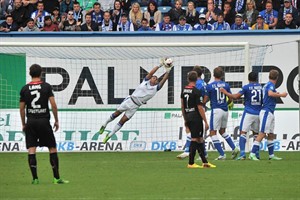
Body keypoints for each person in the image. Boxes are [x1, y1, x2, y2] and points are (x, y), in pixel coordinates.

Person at [98, 58, 173, 144]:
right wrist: (159, 65)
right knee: (116, 114)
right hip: (130, 100)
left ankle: (109, 135)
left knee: (123, 121)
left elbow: (164, 80)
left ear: (156, 82)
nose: (154, 78)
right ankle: (104, 125)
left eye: (155, 78)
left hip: (135, 106)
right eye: (153, 77)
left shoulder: (156, 88)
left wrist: (168, 71)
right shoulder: (145, 81)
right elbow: (151, 73)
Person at [20, 64, 69, 184]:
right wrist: (56, 120)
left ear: (30, 73)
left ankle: (35, 179)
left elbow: (21, 109)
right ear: (41, 73)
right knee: (52, 148)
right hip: (43, 121)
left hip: (31, 122)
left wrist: (23, 123)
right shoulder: (46, 87)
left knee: (31, 149)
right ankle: (56, 178)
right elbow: (53, 105)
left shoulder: (24, 88)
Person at [220, 72, 262, 160]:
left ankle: (242, 154)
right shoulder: (261, 88)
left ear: (248, 79)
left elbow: (236, 96)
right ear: (257, 79)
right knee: (256, 134)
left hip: (248, 112)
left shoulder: (246, 87)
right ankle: (256, 153)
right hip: (258, 113)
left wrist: (225, 92)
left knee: (243, 132)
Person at [249, 70, 288, 161]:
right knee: (262, 133)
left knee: (270, 134)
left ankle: (271, 155)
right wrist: (281, 95)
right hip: (266, 111)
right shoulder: (270, 85)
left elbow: (269, 94)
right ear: (277, 78)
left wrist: (277, 93)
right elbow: (270, 93)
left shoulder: (267, 85)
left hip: (270, 112)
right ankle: (252, 153)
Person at [181, 71, 216, 169]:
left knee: (200, 139)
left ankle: (205, 162)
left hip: (188, 115)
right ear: (197, 79)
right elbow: (200, 107)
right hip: (196, 117)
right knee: (195, 139)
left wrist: (185, 119)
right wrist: (205, 121)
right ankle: (191, 163)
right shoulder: (196, 91)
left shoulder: (184, 90)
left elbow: (182, 106)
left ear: (188, 79)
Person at [204, 67, 239, 160]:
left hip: (216, 110)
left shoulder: (210, 86)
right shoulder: (226, 85)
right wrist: (226, 104)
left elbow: (205, 99)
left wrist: (201, 104)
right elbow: (230, 98)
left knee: (212, 133)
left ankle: (222, 154)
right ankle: (234, 148)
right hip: (225, 110)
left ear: (213, 75)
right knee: (222, 131)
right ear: (222, 75)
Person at [177, 66, 208, 159]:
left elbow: (191, 97)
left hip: (194, 109)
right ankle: (201, 154)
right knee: (197, 135)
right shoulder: (204, 83)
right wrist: (203, 103)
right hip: (198, 107)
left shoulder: (195, 86)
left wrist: (200, 105)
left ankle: (188, 151)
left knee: (192, 132)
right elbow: (206, 95)